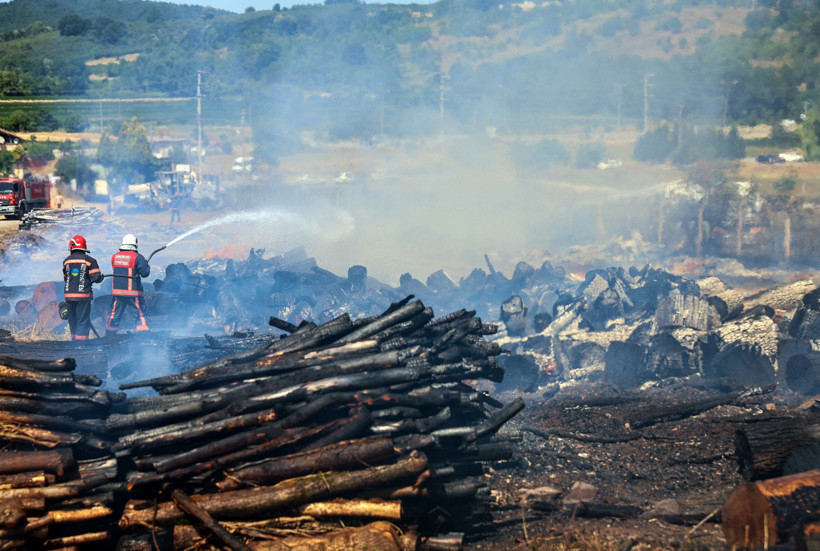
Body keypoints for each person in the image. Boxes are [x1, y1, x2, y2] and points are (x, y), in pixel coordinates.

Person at [106, 234, 151, 335]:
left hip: (118, 292)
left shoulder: (115, 256)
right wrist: (145, 265)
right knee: (140, 315)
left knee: (114, 315)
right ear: (135, 245)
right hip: (133, 293)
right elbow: (145, 273)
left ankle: (109, 337)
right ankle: (143, 337)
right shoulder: (137, 257)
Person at [62, 235, 103, 340]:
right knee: (83, 321)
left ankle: (74, 342)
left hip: (69, 296)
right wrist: (100, 277)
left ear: (72, 247)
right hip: (83, 296)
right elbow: (96, 277)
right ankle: (81, 345)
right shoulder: (90, 261)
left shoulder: (66, 261)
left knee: (73, 320)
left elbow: (66, 278)